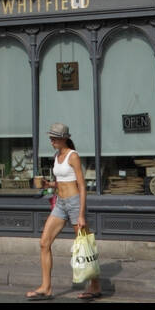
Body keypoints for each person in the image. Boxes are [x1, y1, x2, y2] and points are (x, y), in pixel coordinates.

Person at [26, 123, 102, 300]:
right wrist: (49, 184)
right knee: (44, 242)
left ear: (64, 138)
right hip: (60, 204)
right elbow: (62, 181)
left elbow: (82, 186)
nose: (51, 140)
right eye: (51, 137)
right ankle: (46, 287)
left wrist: (81, 214)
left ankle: (96, 285)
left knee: (85, 246)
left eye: (54, 138)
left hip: (75, 204)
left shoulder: (73, 156)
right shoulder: (56, 156)